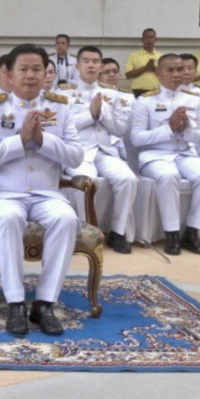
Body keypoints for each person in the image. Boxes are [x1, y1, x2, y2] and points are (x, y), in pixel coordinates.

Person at [0, 43, 83, 336]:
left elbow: (76, 157)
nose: (31, 75)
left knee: (66, 218)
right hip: (2, 193)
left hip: (47, 194)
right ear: (9, 74)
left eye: (38, 69)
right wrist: (19, 141)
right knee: (8, 219)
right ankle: (15, 303)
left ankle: (44, 303)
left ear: (47, 73)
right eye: (24, 69)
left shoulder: (60, 106)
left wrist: (44, 140)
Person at [130, 54, 200, 256]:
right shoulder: (145, 101)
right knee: (169, 176)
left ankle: (193, 231)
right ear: (159, 74)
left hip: (185, 154)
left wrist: (185, 130)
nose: (177, 74)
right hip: (156, 156)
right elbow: (136, 138)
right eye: (170, 70)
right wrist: (169, 129)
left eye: (180, 69)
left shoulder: (193, 100)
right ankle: (172, 234)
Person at [61, 46, 137, 254]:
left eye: (96, 61)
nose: (91, 65)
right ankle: (86, 232)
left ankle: (118, 232)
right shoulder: (63, 94)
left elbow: (120, 129)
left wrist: (103, 114)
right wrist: (90, 115)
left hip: (104, 151)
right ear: (77, 65)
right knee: (86, 180)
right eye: (86, 61)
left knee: (127, 179)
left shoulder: (112, 94)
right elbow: (62, 128)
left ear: (101, 66)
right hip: (79, 152)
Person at [101, 57, 135, 160]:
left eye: (115, 72)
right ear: (99, 75)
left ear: (120, 75)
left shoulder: (129, 96)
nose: (112, 75)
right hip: (104, 141)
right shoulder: (93, 95)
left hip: (125, 141)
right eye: (107, 72)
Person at [125, 28, 162, 98]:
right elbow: (128, 75)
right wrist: (145, 68)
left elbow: (165, 76)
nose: (149, 40)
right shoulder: (133, 55)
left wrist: (153, 68)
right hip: (138, 92)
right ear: (142, 40)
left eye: (151, 37)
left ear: (155, 39)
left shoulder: (161, 56)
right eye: (146, 37)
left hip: (156, 91)